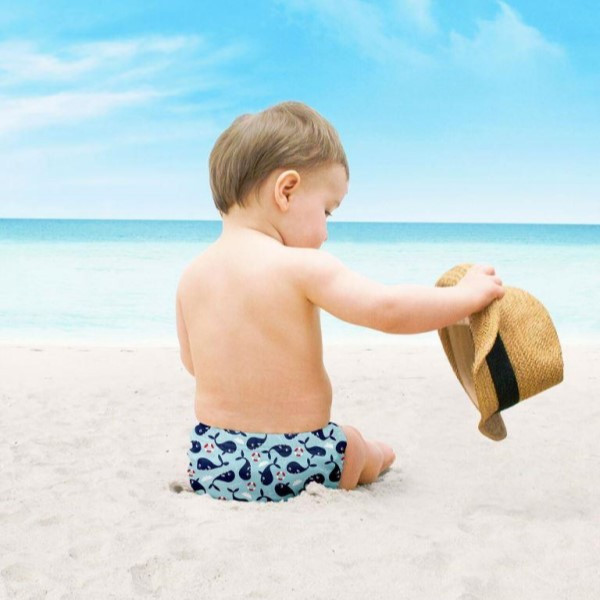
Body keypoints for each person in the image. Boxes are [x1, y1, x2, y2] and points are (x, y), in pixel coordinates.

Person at [176, 100, 505, 502]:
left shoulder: (191, 276)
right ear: (286, 191)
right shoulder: (302, 266)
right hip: (300, 459)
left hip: (213, 461)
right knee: (356, 446)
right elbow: (386, 309)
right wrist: (463, 298)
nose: (326, 232)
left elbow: (194, 364)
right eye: (327, 211)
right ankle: (377, 456)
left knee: (347, 443)